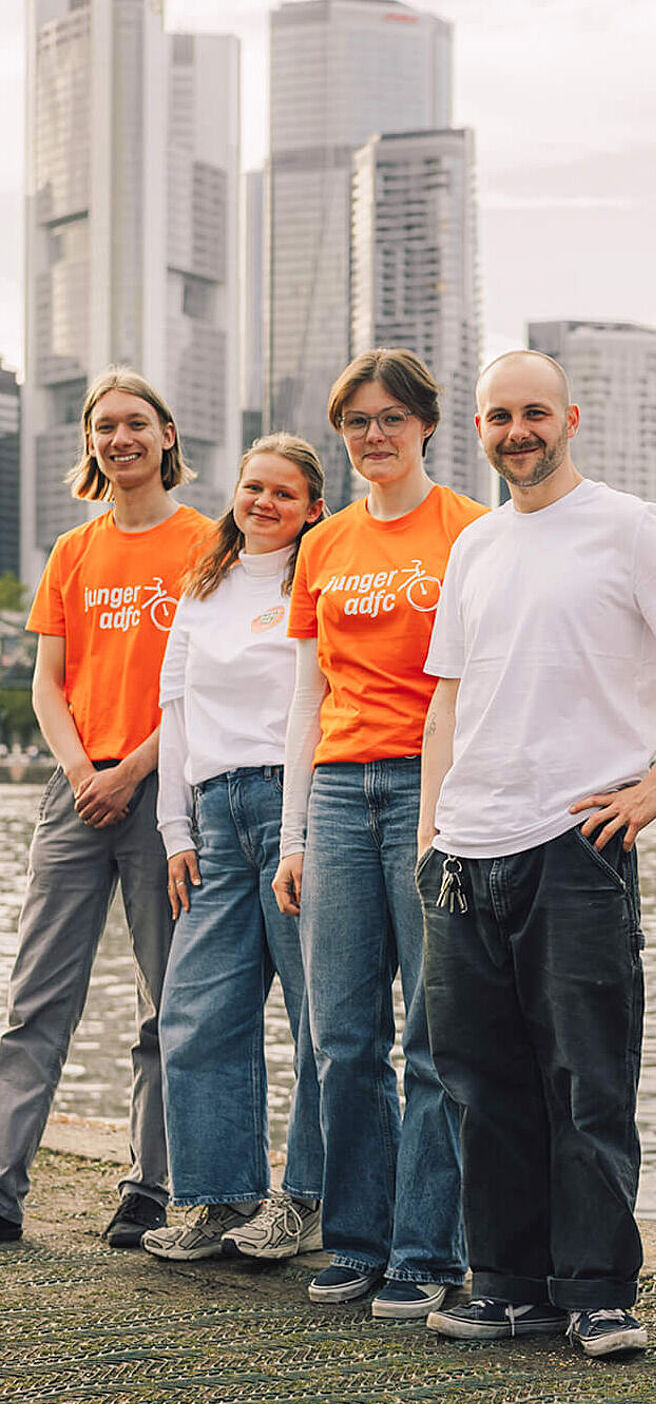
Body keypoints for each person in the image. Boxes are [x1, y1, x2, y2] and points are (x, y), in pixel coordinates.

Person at [416, 350, 656, 1358]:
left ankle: (596, 1290)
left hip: (578, 839)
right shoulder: (475, 544)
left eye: (534, 412)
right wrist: (430, 830)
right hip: (467, 847)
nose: (518, 431)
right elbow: (447, 694)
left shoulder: (630, 526)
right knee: (479, 1078)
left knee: (586, 1077)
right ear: (480, 429)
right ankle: (507, 1283)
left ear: (570, 418)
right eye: (499, 416)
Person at [273, 348, 485, 1319]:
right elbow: (306, 695)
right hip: (340, 791)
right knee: (342, 1037)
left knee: (431, 1038)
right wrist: (293, 834)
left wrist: (460, 814)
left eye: (390, 417)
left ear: (426, 425)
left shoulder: (471, 534)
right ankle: (356, 1240)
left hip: (425, 789)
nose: (372, 436)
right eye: (356, 420)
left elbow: (479, 687)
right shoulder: (324, 544)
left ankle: (425, 1250)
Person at [0, 367, 213, 1247]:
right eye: (104, 427)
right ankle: (3, 1185)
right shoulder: (74, 551)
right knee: (35, 997)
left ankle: (148, 1188)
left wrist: (130, 771)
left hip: (165, 787)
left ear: (167, 436)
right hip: (74, 790)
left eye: (136, 423)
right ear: (91, 444)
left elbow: (207, 684)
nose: (119, 438)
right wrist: (83, 769)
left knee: (168, 997)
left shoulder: (208, 541)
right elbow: (49, 683)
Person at [141, 433, 326, 1263]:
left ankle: (309, 1198)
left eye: (284, 493)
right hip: (215, 817)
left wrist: (300, 829)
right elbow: (173, 711)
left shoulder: (314, 580)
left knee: (320, 1016)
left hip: (296, 808)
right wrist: (174, 829)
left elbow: (319, 703)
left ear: (313, 508)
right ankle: (220, 1198)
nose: (264, 503)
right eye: (254, 488)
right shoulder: (204, 589)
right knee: (196, 1012)